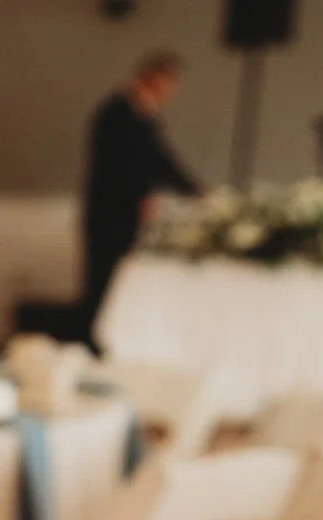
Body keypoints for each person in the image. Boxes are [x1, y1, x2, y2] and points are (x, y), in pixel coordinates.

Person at [82, 49, 202, 343]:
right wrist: (140, 197)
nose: (170, 92)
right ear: (151, 78)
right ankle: (94, 344)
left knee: (119, 283)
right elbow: (117, 165)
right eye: (167, 83)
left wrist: (194, 191)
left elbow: (161, 160)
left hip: (126, 215)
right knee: (103, 285)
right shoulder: (117, 113)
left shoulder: (146, 116)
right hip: (110, 216)